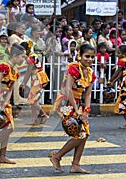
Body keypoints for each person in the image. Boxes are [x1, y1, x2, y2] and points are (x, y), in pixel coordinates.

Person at [50, 44, 96, 174]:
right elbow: (68, 89)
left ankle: (75, 165)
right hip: (66, 102)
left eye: (92, 57)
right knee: (79, 135)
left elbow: (88, 94)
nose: (90, 59)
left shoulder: (90, 72)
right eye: (87, 56)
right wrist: (76, 110)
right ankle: (57, 156)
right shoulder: (73, 68)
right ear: (79, 55)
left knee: (85, 133)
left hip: (77, 103)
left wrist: (86, 110)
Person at [0, 44, 26, 164]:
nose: (23, 60)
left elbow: (11, 89)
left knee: (8, 127)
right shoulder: (4, 66)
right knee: (9, 127)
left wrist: (6, 102)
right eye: (22, 57)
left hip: (4, 99)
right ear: (15, 56)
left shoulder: (15, 71)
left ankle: (2, 155)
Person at [20, 42, 50, 125]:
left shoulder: (32, 57)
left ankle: (43, 114)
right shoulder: (32, 56)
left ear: (26, 50)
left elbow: (28, 72)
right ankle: (34, 121)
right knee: (33, 100)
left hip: (38, 78)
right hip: (37, 78)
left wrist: (23, 83)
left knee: (31, 100)